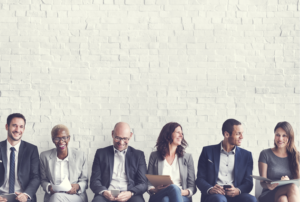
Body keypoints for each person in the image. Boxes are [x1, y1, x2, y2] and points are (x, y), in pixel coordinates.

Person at [196, 119, 256, 202]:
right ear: (227, 134)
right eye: (238, 133)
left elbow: (249, 182)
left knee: (252, 200)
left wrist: (238, 190)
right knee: (219, 199)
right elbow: (200, 179)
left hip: (236, 195)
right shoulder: (207, 151)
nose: (242, 137)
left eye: (242, 133)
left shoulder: (247, 155)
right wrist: (210, 189)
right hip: (215, 195)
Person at [90, 122, 147, 202]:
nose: (121, 142)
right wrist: (104, 192)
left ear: (130, 135)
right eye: (118, 138)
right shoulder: (101, 153)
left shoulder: (138, 155)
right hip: (107, 193)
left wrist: (130, 193)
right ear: (112, 134)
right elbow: (94, 181)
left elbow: (143, 183)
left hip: (130, 194)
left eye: (125, 138)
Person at [147, 122, 197, 202]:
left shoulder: (187, 158)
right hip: (159, 195)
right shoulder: (154, 156)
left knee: (166, 199)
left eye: (182, 133)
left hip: (182, 196)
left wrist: (178, 191)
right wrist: (155, 190)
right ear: (168, 135)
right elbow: (149, 183)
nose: (181, 135)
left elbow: (192, 187)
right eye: (178, 132)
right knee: (170, 191)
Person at [40, 124, 88, 202]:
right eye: (57, 138)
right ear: (53, 140)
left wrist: (77, 186)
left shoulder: (80, 156)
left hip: (75, 196)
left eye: (64, 138)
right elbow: (43, 180)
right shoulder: (44, 156)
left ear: (69, 138)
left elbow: (84, 180)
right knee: (56, 197)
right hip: (53, 195)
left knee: (56, 198)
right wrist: (49, 187)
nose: (61, 141)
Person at [0, 113, 40, 202]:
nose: (18, 130)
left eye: (21, 127)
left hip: (23, 197)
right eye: (14, 125)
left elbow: (36, 177)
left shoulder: (32, 149)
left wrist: (26, 194)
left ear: (24, 129)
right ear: (7, 127)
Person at [258, 121, 300, 202]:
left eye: (284, 135)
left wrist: (288, 182)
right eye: (277, 135)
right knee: (292, 187)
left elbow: (298, 182)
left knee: (283, 199)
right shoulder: (265, 154)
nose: (280, 139)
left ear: (290, 138)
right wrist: (269, 185)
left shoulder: (296, 156)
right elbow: (262, 182)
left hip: (288, 193)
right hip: (269, 193)